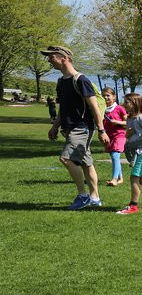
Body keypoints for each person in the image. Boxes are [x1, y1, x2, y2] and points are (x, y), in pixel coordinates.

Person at [42, 45, 108, 210]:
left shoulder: (81, 80)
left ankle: (83, 195)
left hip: (82, 127)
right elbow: (63, 109)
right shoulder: (61, 82)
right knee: (86, 163)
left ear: (63, 57)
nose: (49, 60)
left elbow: (94, 107)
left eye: (51, 56)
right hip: (70, 128)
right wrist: (55, 127)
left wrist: (101, 130)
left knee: (66, 158)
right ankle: (95, 198)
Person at [102, 88, 128, 187]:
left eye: (108, 95)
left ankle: (114, 179)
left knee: (115, 155)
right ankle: (121, 178)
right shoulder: (103, 109)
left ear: (114, 97)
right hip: (109, 136)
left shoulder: (119, 108)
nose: (106, 97)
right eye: (103, 96)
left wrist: (116, 122)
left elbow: (127, 123)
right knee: (114, 158)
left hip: (120, 135)